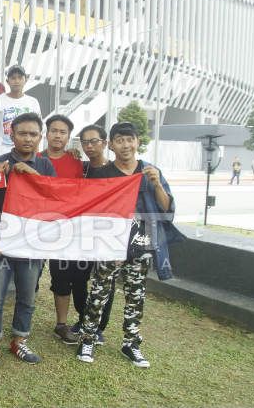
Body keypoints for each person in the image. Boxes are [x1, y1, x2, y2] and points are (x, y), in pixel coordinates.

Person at [76, 122, 184, 368]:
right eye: (120, 140)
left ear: (137, 142)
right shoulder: (103, 173)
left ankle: (131, 343)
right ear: (111, 145)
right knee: (99, 292)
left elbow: (167, 209)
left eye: (130, 139)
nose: (125, 145)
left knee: (136, 295)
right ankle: (88, 339)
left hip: (142, 244)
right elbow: (92, 210)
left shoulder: (150, 171)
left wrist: (156, 184)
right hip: (110, 245)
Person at [0, 112, 56, 367]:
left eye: (33, 134)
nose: (28, 138)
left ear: (40, 137)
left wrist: (32, 174)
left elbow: (54, 199)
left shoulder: (45, 167)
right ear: (11, 135)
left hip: (31, 243)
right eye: (22, 133)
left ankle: (19, 340)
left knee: (27, 297)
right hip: (0, 241)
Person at [40, 115, 85, 345]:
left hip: (66, 227)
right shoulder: (35, 159)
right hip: (36, 226)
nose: (58, 135)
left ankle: (61, 324)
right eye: (54, 131)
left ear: (69, 137)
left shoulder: (76, 162)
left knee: (62, 275)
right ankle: (21, 322)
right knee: (31, 276)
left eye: (63, 132)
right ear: (46, 134)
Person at [74, 124, 116, 343]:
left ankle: (99, 326)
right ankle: (83, 318)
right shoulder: (80, 169)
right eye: (84, 142)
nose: (89, 146)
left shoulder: (115, 171)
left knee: (105, 282)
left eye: (94, 141)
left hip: (107, 236)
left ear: (105, 143)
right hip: (81, 235)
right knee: (78, 280)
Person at [0, 65, 42, 161]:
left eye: (20, 78)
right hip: (1, 153)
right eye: (13, 78)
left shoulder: (33, 102)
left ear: (26, 80)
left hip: (27, 155)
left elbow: (37, 131)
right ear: (7, 81)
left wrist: (36, 155)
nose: (16, 81)